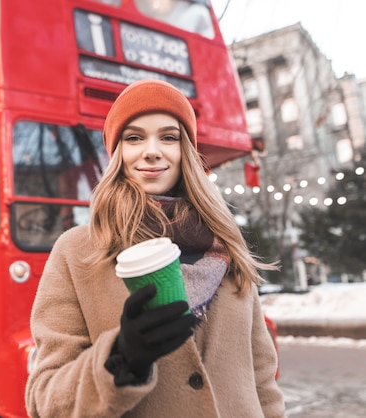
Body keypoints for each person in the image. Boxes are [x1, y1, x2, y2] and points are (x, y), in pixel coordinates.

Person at [25, 79, 286, 417]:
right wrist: (120, 359)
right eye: (134, 138)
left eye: (168, 137)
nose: (152, 150)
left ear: (185, 151)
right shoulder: (77, 251)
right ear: (118, 152)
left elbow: (263, 381)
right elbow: (44, 400)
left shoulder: (226, 243)